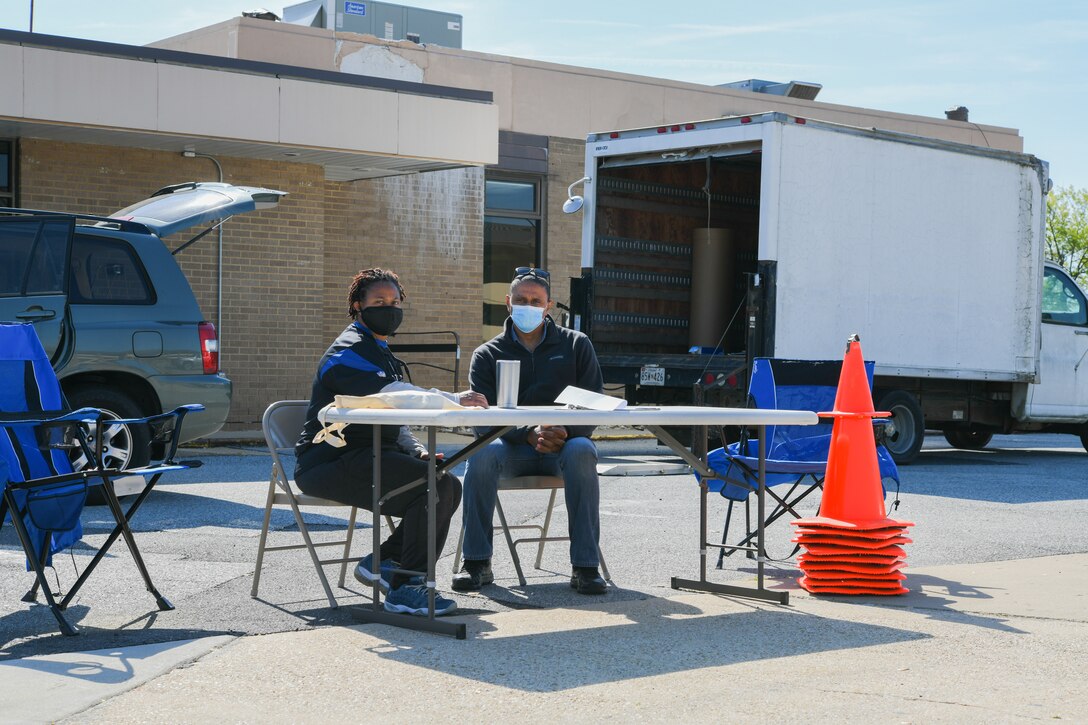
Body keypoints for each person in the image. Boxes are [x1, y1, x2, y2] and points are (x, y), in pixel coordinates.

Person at [295, 268, 488, 617]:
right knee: (433, 486)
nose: (390, 308)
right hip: (328, 462)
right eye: (379, 302)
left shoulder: (380, 351)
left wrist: (415, 449)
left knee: (446, 485)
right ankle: (406, 588)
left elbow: (392, 416)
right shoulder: (348, 352)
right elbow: (395, 396)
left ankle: (386, 563)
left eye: (395, 302)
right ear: (357, 306)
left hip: (371, 457)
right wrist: (451, 398)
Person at [453, 266, 608, 595]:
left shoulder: (576, 345)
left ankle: (585, 567)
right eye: (521, 299)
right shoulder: (486, 354)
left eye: (536, 301)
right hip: (512, 451)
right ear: (508, 303)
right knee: (481, 452)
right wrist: (526, 433)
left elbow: (595, 404)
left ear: (548, 305)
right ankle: (477, 563)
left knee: (583, 451)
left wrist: (560, 432)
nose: (528, 306)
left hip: (563, 449)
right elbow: (482, 417)